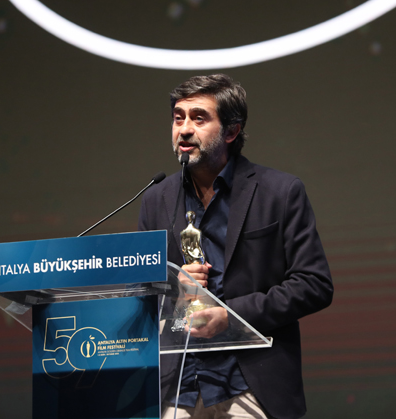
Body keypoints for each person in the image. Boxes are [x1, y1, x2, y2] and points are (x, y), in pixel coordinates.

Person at [138, 74, 333, 419]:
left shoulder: (279, 192)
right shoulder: (155, 199)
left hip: (249, 380)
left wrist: (231, 316)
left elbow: (313, 284)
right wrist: (174, 287)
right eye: (178, 118)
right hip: (178, 384)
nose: (184, 129)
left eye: (199, 118)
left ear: (231, 131)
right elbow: (142, 292)